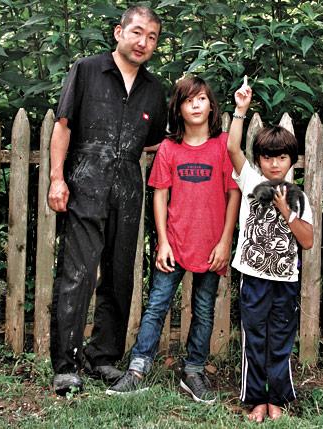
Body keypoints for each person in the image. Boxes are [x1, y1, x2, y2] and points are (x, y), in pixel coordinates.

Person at [48, 6, 167, 395]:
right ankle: (66, 365)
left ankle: (102, 359)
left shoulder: (154, 89)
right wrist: (56, 178)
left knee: (119, 277)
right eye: (136, 32)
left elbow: (154, 139)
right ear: (119, 32)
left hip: (129, 187)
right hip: (85, 179)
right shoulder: (86, 70)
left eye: (151, 37)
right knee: (77, 274)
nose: (142, 42)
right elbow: (63, 126)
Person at [106, 76, 241, 403]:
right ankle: (137, 370)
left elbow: (234, 195)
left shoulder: (223, 145)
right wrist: (163, 242)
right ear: (178, 109)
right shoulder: (169, 148)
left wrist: (225, 242)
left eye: (202, 98)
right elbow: (160, 196)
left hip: (212, 246)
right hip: (175, 244)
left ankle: (193, 370)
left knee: (204, 309)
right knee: (156, 306)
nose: (195, 104)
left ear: (211, 105)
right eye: (188, 100)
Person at [227, 77, 313, 422]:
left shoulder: (299, 197)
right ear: (260, 160)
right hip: (253, 276)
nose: (275, 164)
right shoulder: (251, 181)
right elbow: (233, 148)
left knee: (279, 339)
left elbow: (306, 240)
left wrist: (285, 210)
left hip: (285, 280)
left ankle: (276, 399)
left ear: (291, 160)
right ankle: (255, 400)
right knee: (254, 339)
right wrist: (240, 110)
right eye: (268, 157)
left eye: (281, 158)